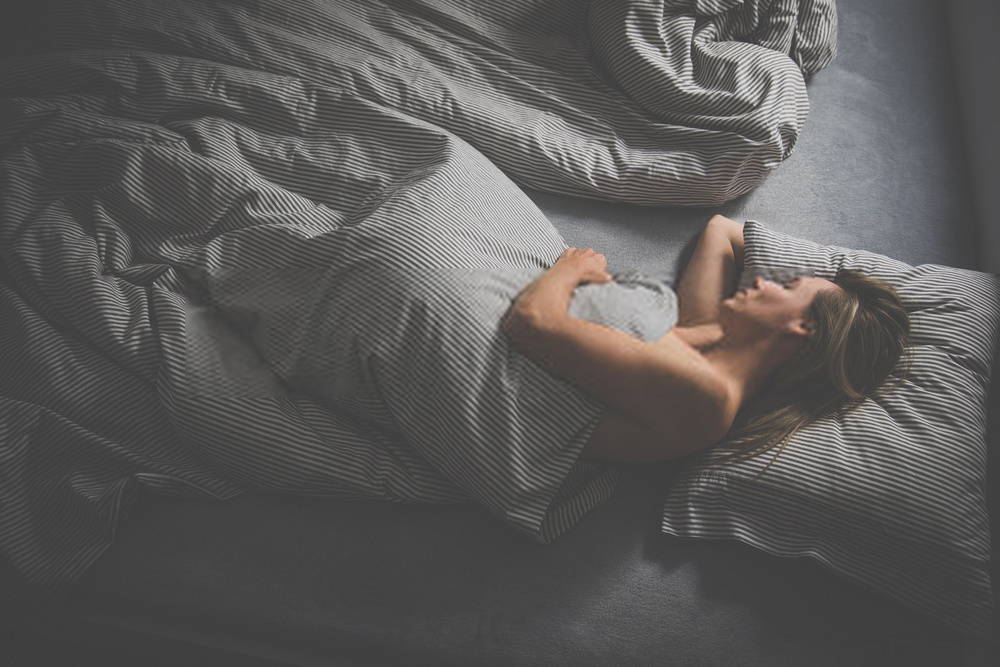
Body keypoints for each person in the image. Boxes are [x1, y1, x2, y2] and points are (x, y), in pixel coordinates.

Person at [501, 214, 910, 468]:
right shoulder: (710, 335)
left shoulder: (706, 396)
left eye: (788, 286)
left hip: (497, 357)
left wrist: (573, 268)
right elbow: (722, 231)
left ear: (804, 329)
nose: (764, 279)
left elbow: (532, 323)